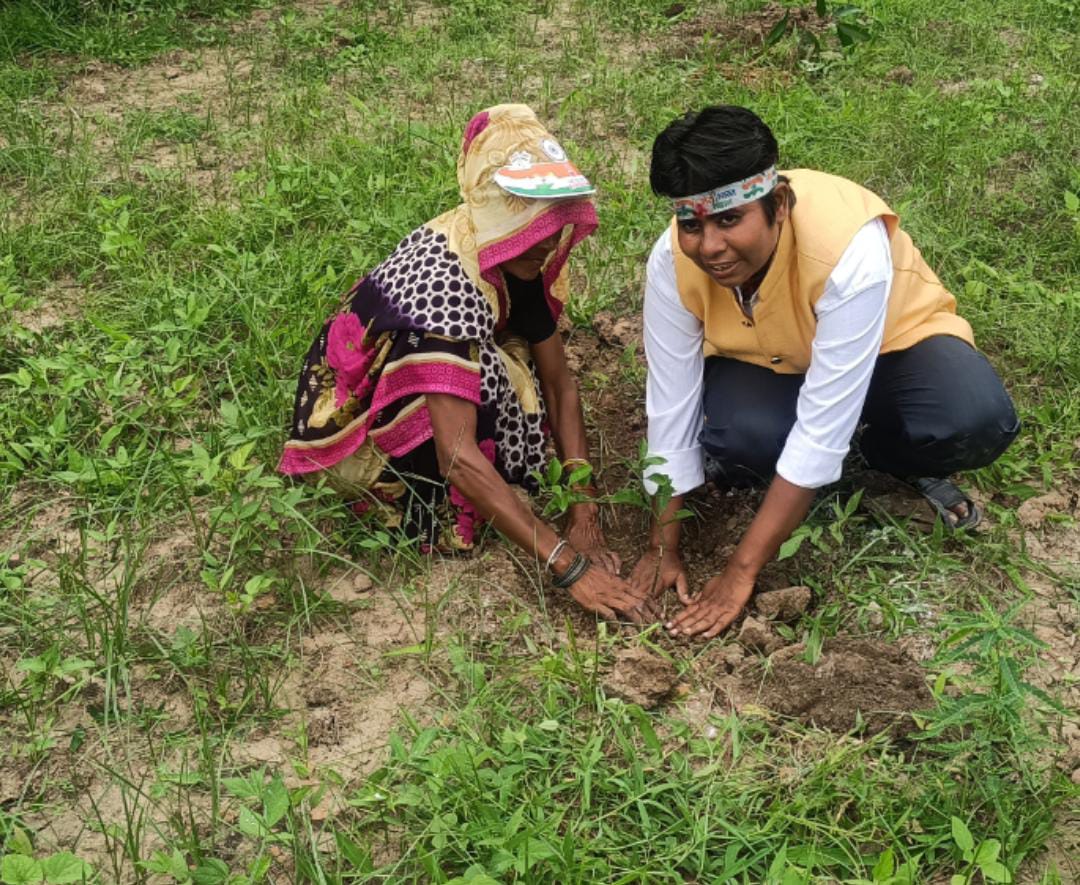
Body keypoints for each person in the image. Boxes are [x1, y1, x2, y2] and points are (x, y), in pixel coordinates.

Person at [629, 106, 1019, 639]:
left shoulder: (846, 247)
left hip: (893, 351)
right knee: (739, 439)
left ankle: (891, 457)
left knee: (970, 419)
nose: (710, 247)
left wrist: (740, 572)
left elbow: (820, 431)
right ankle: (823, 464)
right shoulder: (672, 261)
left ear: (780, 204)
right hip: (770, 363)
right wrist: (661, 546)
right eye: (691, 225)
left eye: (728, 219)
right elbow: (671, 404)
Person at [279, 104, 657, 623]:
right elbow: (456, 456)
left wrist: (583, 507)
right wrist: (570, 567)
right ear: (495, 205)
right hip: (355, 429)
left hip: (428, 375)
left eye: (552, 222)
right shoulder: (449, 289)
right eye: (528, 215)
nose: (547, 240)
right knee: (490, 385)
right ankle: (418, 496)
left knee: (513, 369)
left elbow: (559, 383)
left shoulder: (514, 248)